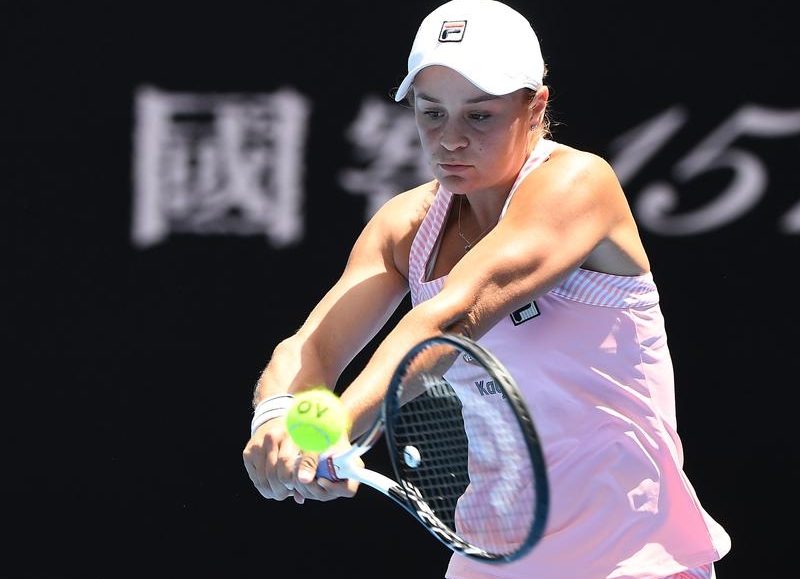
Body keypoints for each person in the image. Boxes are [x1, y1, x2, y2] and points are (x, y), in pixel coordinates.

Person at [242, 0, 732, 576]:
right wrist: (278, 419)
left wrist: (336, 426)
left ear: (535, 106)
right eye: (432, 113)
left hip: (634, 559)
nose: (450, 140)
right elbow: (312, 348)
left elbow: (454, 318)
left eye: (479, 116)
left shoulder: (580, 183)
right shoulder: (405, 226)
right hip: (489, 557)